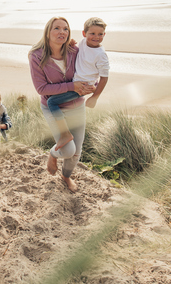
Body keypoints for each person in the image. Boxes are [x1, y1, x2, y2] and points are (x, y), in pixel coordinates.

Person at [28, 17, 95, 192]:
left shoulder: (74, 51)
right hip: (53, 107)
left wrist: (91, 86)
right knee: (67, 151)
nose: (62, 32)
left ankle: (66, 176)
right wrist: (72, 86)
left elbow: (90, 65)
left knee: (77, 151)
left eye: (65, 29)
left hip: (77, 105)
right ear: (48, 32)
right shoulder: (36, 56)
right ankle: (52, 154)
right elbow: (42, 88)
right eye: (57, 28)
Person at [45, 17, 110, 158]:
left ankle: (65, 134)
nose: (96, 37)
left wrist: (95, 96)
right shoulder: (83, 43)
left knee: (52, 102)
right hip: (76, 83)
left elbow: (104, 77)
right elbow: (76, 48)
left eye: (100, 34)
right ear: (84, 33)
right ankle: (65, 132)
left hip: (82, 88)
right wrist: (72, 42)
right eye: (92, 33)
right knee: (55, 102)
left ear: (104, 35)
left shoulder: (101, 55)